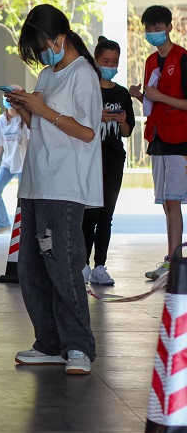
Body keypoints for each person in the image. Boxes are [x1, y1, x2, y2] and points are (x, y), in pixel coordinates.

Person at [8, 4, 102, 376]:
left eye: (41, 47)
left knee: (63, 264)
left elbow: (87, 132)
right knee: (31, 267)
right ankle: (48, 343)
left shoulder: (83, 75)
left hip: (63, 185)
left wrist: (43, 110)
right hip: (35, 182)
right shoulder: (48, 74)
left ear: (60, 38)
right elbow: (41, 126)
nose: (41, 56)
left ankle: (78, 346)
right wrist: (23, 107)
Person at [129, 5, 187, 280]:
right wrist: (140, 96)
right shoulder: (151, 61)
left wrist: (160, 97)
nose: (152, 33)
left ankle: (175, 261)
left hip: (180, 138)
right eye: (148, 30)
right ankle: (172, 259)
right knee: (166, 202)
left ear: (169, 28)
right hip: (158, 136)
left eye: (157, 28)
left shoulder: (183, 59)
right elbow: (153, 102)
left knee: (173, 200)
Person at [81, 37, 134, 286]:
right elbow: (78, 122)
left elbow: (127, 131)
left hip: (113, 159)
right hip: (90, 158)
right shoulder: (88, 89)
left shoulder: (122, 93)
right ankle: (82, 264)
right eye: (106, 61)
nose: (110, 66)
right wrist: (97, 117)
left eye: (114, 62)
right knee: (89, 214)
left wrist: (121, 120)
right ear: (95, 60)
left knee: (106, 215)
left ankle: (100, 266)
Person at [0, 85, 28, 234]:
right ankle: (3, 223)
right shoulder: (1, 121)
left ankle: (24, 227)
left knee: (22, 197)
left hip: (23, 164)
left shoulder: (24, 119)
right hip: (7, 163)